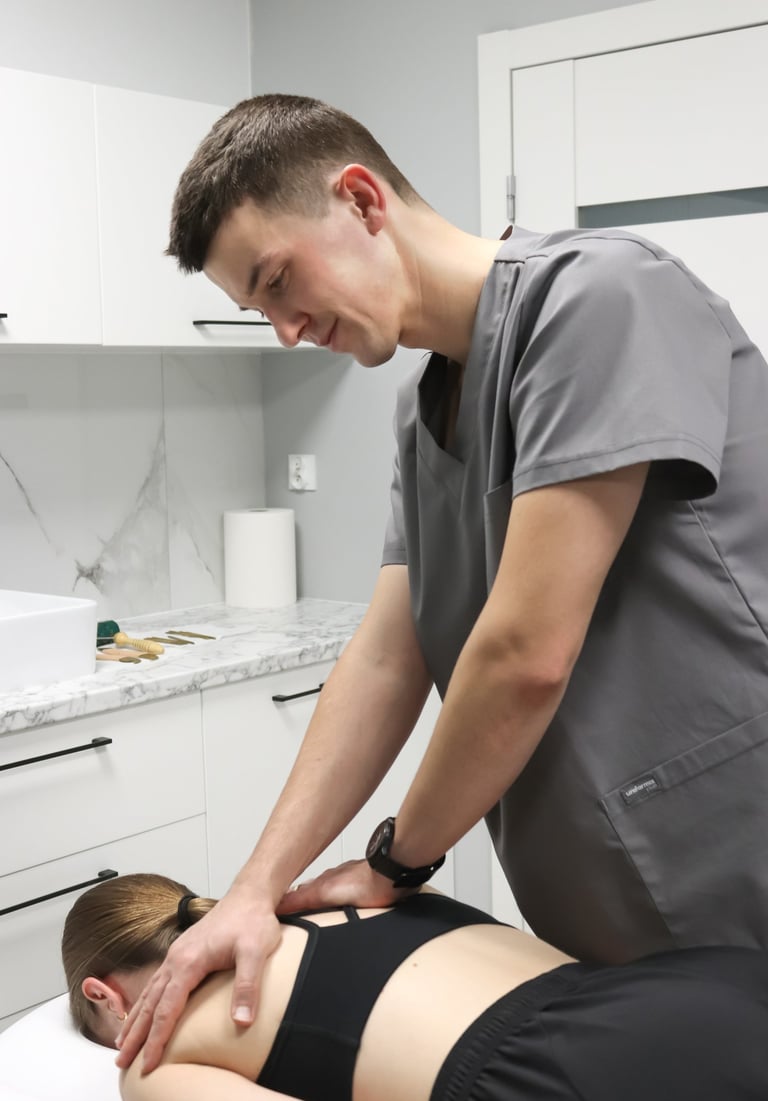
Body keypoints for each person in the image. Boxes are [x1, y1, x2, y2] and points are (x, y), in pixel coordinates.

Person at [117, 93, 768, 1072]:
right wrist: (254, 888)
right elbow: (386, 660)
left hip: (731, 851)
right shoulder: (422, 420)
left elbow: (524, 654)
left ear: (362, 199)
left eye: (279, 280)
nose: (285, 330)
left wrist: (397, 859)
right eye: (258, 310)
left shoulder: (599, 300)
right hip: (606, 909)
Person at [66, 871, 768, 1100]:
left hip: (560, 1078)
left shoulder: (156, 1059)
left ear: (104, 995)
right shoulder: (346, 892)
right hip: (701, 990)